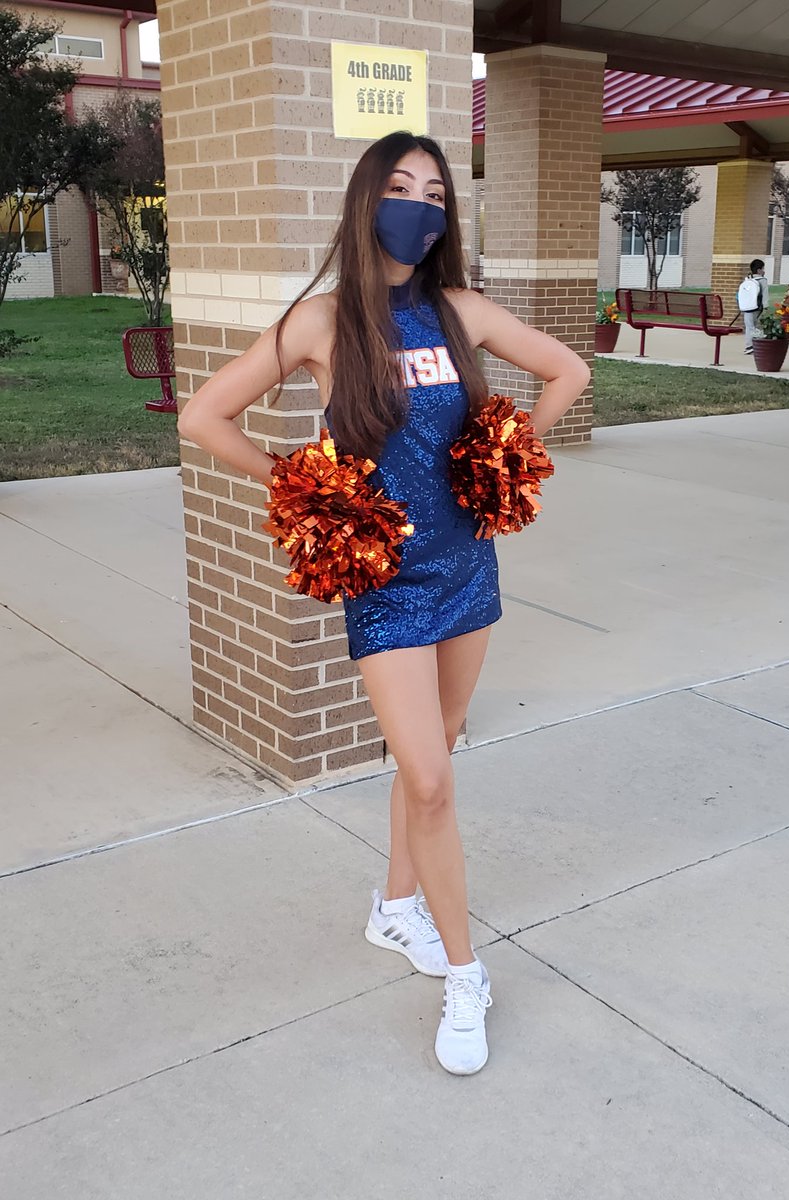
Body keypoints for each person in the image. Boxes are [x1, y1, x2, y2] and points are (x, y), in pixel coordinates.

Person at [177, 131, 590, 1076]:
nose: (419, 203)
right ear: (368, 201)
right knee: (432, 777)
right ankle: (463, 972)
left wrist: (510, 458)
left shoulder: (461, 312)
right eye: (401, 186)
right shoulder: (325, 322)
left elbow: (571, 371)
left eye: (436, 191)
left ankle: (395, 906)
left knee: (434, 753)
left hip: (467, 567)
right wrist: (296, 481)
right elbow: (206, 415)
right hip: (385, 581)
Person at [737, 258, 770, 353]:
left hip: (747, 306)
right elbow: (765, 294)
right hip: (757, 307)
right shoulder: (762, 280)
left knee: (750, 326)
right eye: (763, 269)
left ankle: (751, 344)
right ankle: (760, 339)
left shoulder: (748, 279)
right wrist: (765, 306)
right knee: (752, 326)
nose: (764, 271)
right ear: (759, 270)